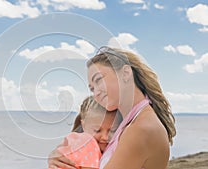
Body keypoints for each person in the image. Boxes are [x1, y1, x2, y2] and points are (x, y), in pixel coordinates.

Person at [48, 46, 176, 169]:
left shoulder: (142, 128)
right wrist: (60, 156)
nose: (96, 92)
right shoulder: (127, 121)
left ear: (126, 73)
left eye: (98, 80)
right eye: (92, 88)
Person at [49, 96, 120, 169]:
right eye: (97, 130)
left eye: (112, 130)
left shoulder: (75, 139)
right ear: (84, 125)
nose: (105, 137)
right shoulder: (86, 142)